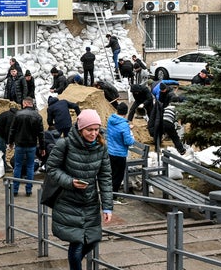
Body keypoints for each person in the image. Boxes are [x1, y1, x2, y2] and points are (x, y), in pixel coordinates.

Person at [46, 109, 113, 270]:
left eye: (96, 129)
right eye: (89, 130)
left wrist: (108, 206)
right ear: (80, 129)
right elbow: (51, 168)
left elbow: (105, 176)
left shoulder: (101, 147)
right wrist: (70, 181)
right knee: (76, 245)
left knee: (94, 239)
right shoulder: (65, 144)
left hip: (90, 202)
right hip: (68, 201)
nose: (94, 133)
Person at [8, 97, 45, 197]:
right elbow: (41, 134)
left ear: (24, 104)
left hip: (19, 144)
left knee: (18, 166)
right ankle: (28, 190)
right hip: (32, 145)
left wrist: (10, 142)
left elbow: (12, 130)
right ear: (31, 104)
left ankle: (15, 189)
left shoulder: (18, 114)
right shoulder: (37, 116)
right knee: (30, 166)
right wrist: (42, 147)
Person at [106, 102, 135, 200]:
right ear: (126, 113)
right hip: (119, 154)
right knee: (118, 177)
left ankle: (107, 194)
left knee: (111, 175)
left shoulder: (111, 119)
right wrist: (131, 133)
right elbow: (128, 141)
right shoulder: (124, 125)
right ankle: (113, 197)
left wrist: (127, 127)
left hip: (110, 151)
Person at [0, 106, 17, 171]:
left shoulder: (12, 115)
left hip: (0, 130)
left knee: (3, 147)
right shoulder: (11, 117)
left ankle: (2, 164)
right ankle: (3, 166)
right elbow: (8, 130)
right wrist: (9, 142)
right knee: (2, 148)